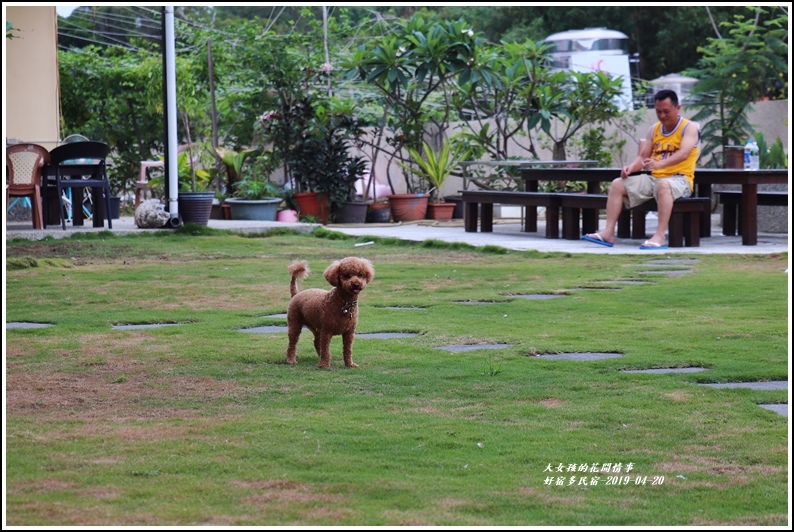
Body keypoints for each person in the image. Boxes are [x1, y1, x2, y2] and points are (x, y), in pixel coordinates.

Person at [582, 89, 700, 250]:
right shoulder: (654, 129)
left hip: (680, 179)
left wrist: (660, 164)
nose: (662, 116)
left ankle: (659, 236)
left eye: (666, 111)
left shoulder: (689, 128)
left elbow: (684, 153)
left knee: (663, 185)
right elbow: (643, 157)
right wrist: (631, 168)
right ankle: (608, 232)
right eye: (658, 112)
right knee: (617, 184)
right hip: (654, 179)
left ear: (677, 108)